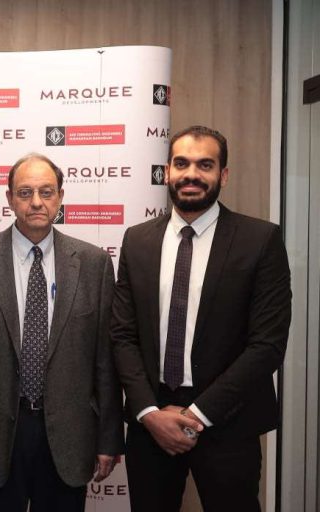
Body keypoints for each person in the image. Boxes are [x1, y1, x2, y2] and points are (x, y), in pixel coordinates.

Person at [111, 125, 292, 511]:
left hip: (229, 423)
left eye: (205, 165)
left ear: (223, 175)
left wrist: (197, 414)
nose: (191, 174)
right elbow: (122, 335)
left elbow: (267, 345)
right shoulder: (137, 240)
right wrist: (149, 413)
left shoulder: (260, 241)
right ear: (167, 171)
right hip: (151, 423)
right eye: (181, 163)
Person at [0, 153, 124, 512]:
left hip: (70, 436)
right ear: (10, 198)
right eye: (25, 193)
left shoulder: (94, 265)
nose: (37, 202)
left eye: (46, 191)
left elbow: (105, 361)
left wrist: (109, 438)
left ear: (60, 197)